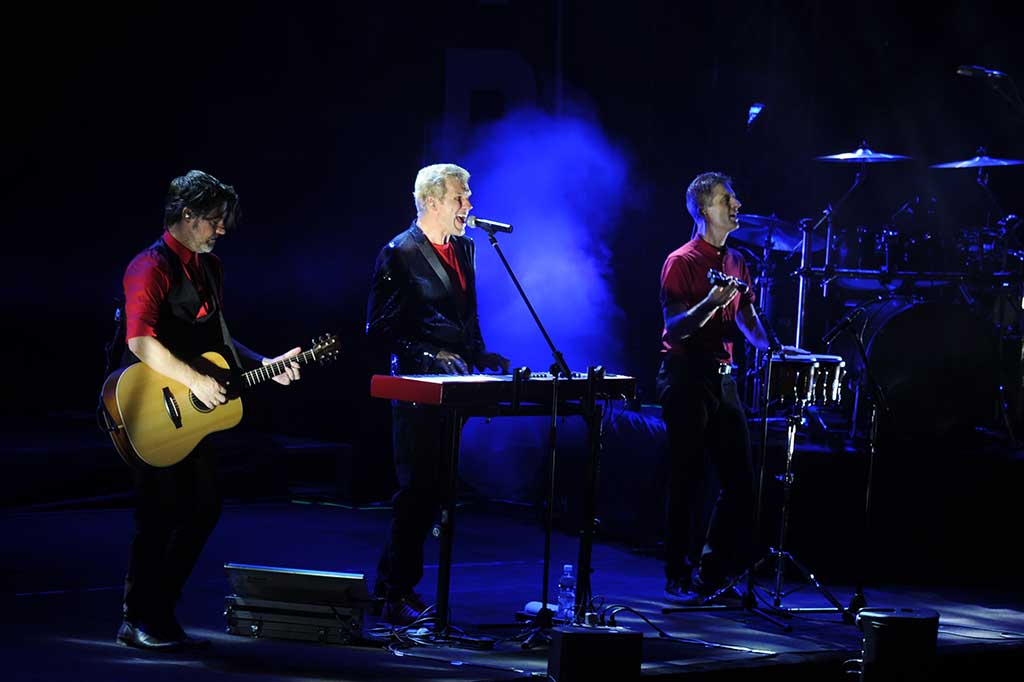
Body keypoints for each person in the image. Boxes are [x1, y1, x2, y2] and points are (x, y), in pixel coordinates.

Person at [116, 170, 302, 650]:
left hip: (191, 410)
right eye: (214, 220)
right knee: (157, 514)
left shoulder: (210, 268)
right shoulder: (149, 266)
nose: (221, 230)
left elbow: (219, 340)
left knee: (202, 508)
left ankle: (157, 612)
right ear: (187, 216)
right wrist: (194, 378)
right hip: (147, 407)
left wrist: (266, 365)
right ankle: (137, 618)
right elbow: (139, 340)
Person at [366, 163, 509, 625]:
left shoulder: (465, 248)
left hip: (456, 387)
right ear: (430, 201)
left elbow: (468, 316)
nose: (468, 206)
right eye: (459, 198)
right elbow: (380, 329)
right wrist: (429, 356)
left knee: (439, 491)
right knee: (417, 490)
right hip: (415, 387)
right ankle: (393, 591)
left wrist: (482, 354)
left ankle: (403, 586)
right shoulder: (399, 252)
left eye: (467, 197)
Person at [656, 171, 802, 605]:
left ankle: (711, 573)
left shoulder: (737, 261)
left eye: (735, 198)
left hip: (723, 377)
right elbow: (675, 328)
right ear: (704, 210)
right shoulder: (680, 261)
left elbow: (747, 319)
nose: (737, 205)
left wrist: (775, 348)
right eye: (726, 199)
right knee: (687, 478)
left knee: (741, 483)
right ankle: (677, 576)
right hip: (685, 375)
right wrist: (710, 303)